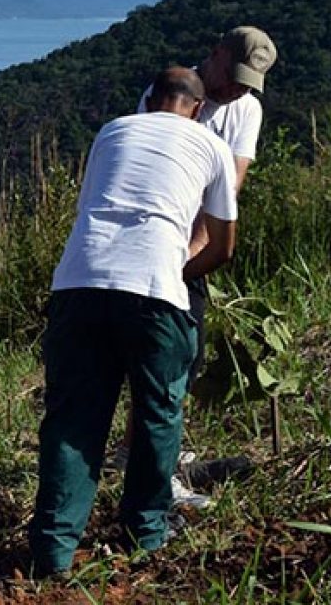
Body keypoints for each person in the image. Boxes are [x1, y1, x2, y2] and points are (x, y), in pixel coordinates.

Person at [27, 66, 238, 577]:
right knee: (156, 415)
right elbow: (224, 245)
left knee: (73, 420)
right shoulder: (211, 146)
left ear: (150, 100)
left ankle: (52, 552)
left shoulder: (113, 131)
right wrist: (178, 270)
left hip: (79, 282)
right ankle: (145, 536)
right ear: (199, 108)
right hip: (153, 293)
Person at [118, 25, 277, 507]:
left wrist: (186, 263)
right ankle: (149, 468)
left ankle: (151, 453)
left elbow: (228, 190)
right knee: (150, 355)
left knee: (182, 355)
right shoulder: (172, 94)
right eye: (235, 77)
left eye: (250, 83)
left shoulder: (246, 108)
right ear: (216, 57)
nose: (239, 90)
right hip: (147, 241)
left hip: (191, 248)